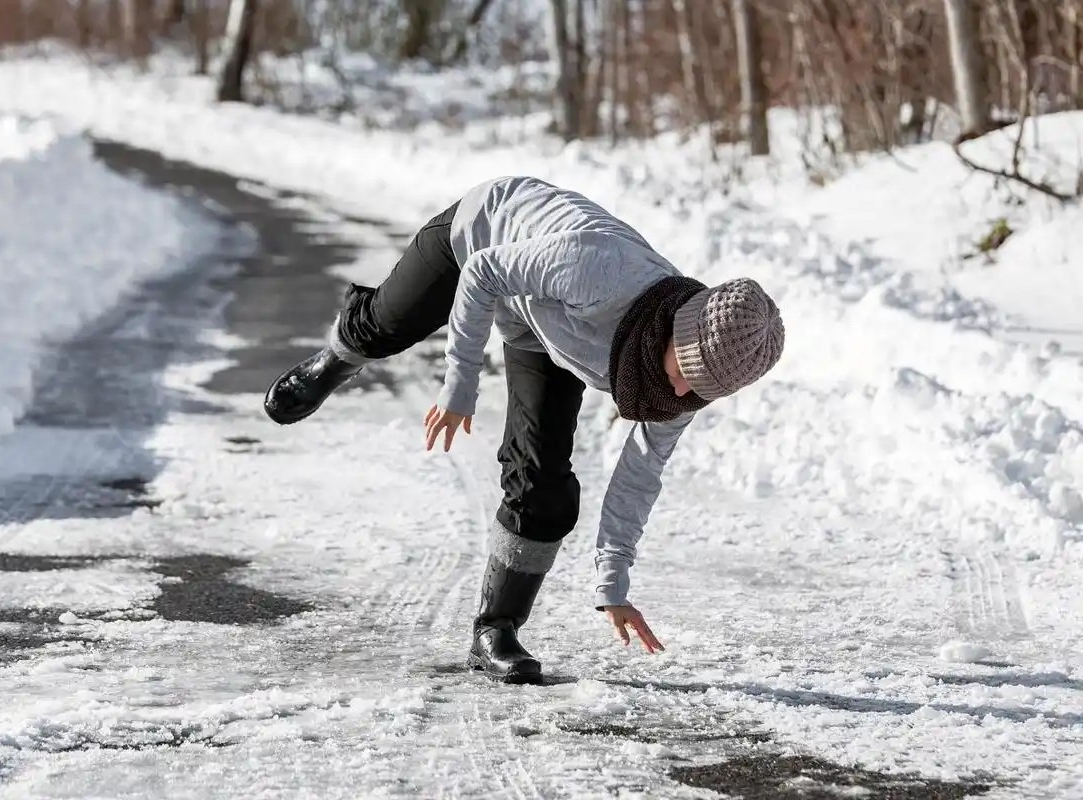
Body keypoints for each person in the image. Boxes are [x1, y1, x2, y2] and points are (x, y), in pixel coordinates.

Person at [264, 176, 784, 685]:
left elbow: (638, 477)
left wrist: (614, 585)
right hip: (483, 238)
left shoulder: (683, 390)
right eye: (682, 370)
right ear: (676, 327)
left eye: (697, 389)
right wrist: (459, 386)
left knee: (544, 484)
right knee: (385, 328)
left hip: (545, 324)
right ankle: (337, 358)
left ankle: (497, 629)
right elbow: (482, 271)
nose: (678, 392)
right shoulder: (600, 270)